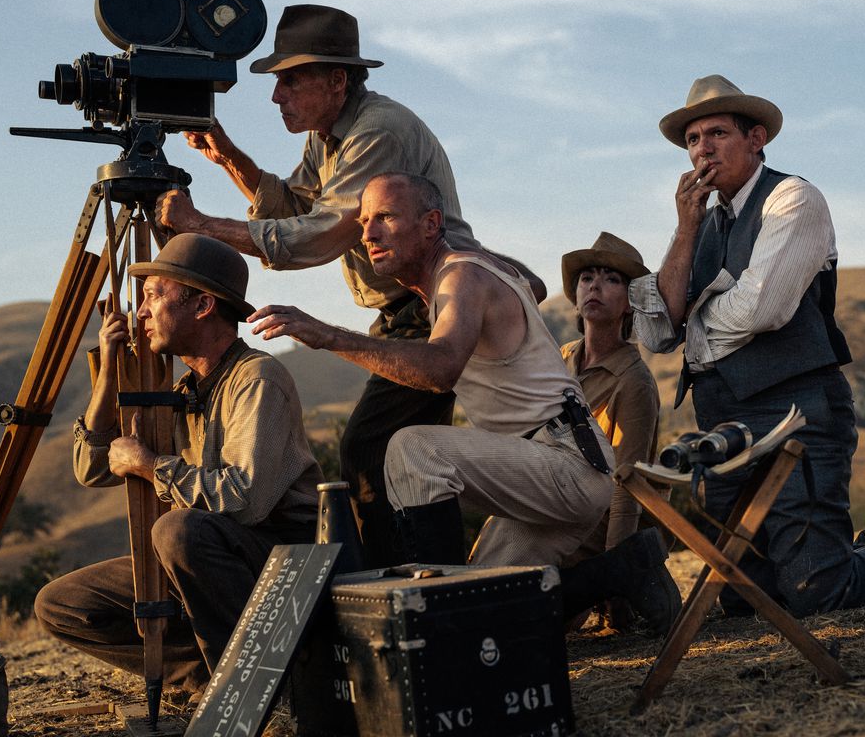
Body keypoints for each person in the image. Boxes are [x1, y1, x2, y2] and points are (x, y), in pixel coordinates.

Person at [155, 4, 540, 567]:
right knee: (400, 454)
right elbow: (300, 205)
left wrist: (201, 226)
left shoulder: (376, 131)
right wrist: (229, 158)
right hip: (410, 305)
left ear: (337, 80)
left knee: (370, 450)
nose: (276, 96)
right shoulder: (330, 133)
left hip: (435, 301)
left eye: (289, 80)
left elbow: (320, 233)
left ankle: (401, 593)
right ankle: (428, 588)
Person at [249, 172, 681, 631]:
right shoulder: (463, 274)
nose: (369, 233)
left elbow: (440, 369)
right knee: (487, 609)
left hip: (566, 465)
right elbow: (532, 285)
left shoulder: (462, 277)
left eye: (386, 218)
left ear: (432, 224)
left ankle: (436, 624)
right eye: (365, 222)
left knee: (413, 450)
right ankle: (620, 571)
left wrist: (328, 335)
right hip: (545, 474)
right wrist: (468, 250)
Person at [630, 74, 865, 618]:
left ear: (756, 138)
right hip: (721, 415)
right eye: (693, 139)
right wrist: (684, 231)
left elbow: (762, 310)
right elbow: (657, 333)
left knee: (816, 594)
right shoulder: (699, 223)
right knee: (744, 598)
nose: (703, 148)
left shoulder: (793, 198)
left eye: (717, 133)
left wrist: (690, 320)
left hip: (795, 410)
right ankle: (857, 553)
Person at [34, 234, 322, 693]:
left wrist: (151, 466)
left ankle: (251, 691)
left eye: (153, 297)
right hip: (204, 555)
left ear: (202, 305)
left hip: (278, 558)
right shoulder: (181, 391)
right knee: (62, 604)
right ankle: (210, 682)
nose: (140, 313)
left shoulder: (257, 378)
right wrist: (108, 373)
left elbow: (244, 502)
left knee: (177, 530)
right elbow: (92, 468)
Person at [559, 232, 663, 631]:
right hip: (550, 501)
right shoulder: (563, 358)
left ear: (629, 303)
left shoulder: (634, 381)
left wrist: (614, 583)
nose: (595, 286)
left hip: (592, 526)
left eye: (611, 279)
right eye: (587, 277)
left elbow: (629, 486)